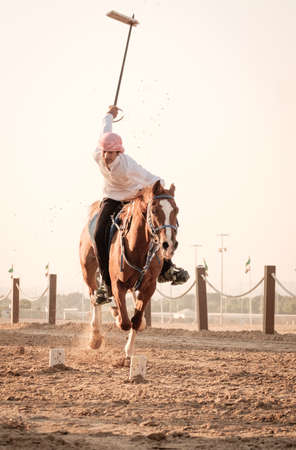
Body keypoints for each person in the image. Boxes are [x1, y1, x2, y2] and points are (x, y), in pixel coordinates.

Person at [92, 105, 189, 304]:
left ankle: (167, 268)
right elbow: (105, 129)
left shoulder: (128, 166)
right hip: (111, 198)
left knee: (155, 225)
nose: (107, 156)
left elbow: (150, 178)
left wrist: (163, 191)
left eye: (111, 153)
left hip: (133, 197)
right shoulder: (97, 154)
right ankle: (105, 284)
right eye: (105, 152)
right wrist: (109, 114)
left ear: (119, 152)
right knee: (98, 232)